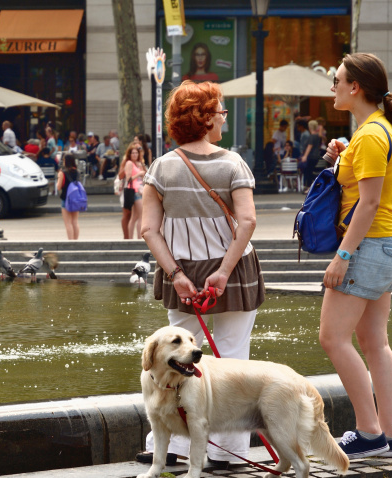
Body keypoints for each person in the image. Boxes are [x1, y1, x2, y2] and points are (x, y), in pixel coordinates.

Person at [136, 80, 264, 468]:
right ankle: (233, 451)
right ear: (206, 118)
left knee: (179, 360)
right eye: (221, 111)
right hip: (235, 270)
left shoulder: (161, 167)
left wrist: (175, 274)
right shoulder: (233, 163)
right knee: (233, 361)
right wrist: (224, 271)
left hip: (184, 271)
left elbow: (149, 230)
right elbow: (247, 221)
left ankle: (175, 448)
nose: (224, 118)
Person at [319, 52, 392, 459]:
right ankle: (388, 437)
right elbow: (368, 188)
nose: (332, 86)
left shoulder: (371, 134)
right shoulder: (378, 130)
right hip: (385, 244)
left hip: (367, 245)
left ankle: (368, 432)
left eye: (336, 80)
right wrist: (344, 155)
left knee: (333, 338)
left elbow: (368, 204)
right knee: (374, 342)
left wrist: (342, 255)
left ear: (355, 87)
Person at [124, 144, 147, 239]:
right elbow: (128, 179)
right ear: (129, 154)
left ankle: (131, 238)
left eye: (136, 153)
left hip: (140, 190)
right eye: (132, 153)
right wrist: (139, 174)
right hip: (135, 191)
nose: (134, 155)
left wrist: (142, 166)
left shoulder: (138, 164)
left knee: (135, 216)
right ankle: (138, 238)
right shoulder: (129, 163)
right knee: (141, 216)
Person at [56, 154, 81, 240]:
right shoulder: (77, 172)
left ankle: (70, 241)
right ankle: (76, 241)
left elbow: (58, 187)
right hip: (76, 198)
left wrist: (58, 177)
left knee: (68, 223)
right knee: (75, 221)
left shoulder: (62, 173)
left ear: (65, 161)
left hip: (65, 198)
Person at [299, 120, 324, 189]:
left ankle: (308, 186)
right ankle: (310, 186)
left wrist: (305, 156)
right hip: (316, 156)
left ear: (309, 127)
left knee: (308, 171)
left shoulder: (312, 136)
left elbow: (309, 146)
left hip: (311, 156)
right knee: (310, 171)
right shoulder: (318, 136)